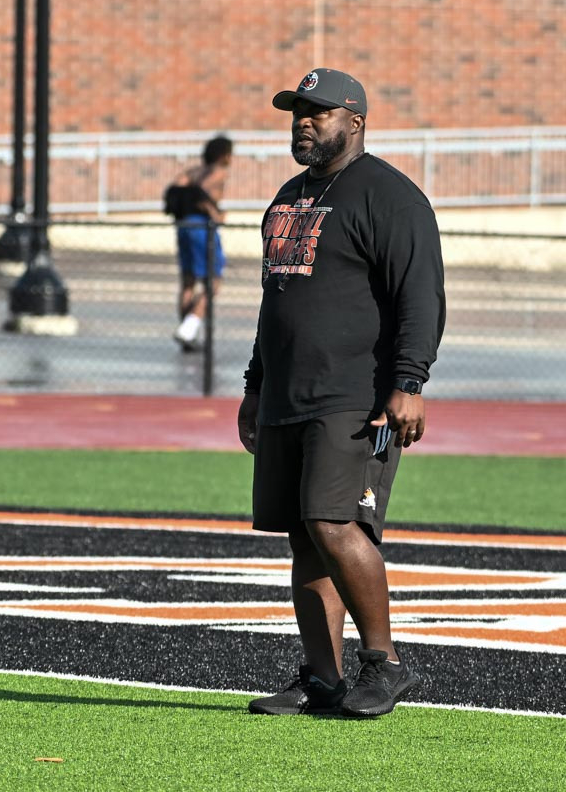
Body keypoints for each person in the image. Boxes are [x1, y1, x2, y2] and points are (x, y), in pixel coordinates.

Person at [238, 69, 445, 718]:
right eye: (298, 112)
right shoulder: (287, 197)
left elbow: (421, 298)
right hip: (287, 395)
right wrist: (254, 386)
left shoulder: (390, 196)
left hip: (356, 397)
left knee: (336, 520)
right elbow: (276, 302)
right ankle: (322, 678)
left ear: (354, 122)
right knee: (305, 535)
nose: (304, 121)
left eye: (318, 112)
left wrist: (409, 384)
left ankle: (384, 663)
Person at [165, 136, 232, 351]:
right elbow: (202, 193)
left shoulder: (192, 172)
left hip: (183, 225)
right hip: (202, 228)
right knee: (213, 280)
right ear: (224, 155)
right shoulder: (218, 172)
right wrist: (215, 213)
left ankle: (187, 336)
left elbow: (177, 187)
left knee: (188, 281)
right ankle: (189, 328)